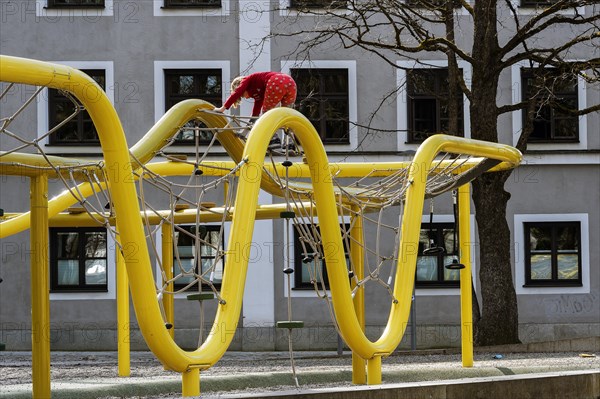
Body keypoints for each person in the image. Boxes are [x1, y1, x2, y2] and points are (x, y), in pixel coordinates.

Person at [213, 72, 297, 117]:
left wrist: (222, 109)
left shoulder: (247, 80)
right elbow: (256, 110)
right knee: (287, 113)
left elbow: (237, 93)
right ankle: (289, 143)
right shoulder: (258, 93)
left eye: (243, 95)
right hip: (290, 82)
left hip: (276, 81)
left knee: (266, 114)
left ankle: (273, 139)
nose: (245, 97)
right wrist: (252, 122)